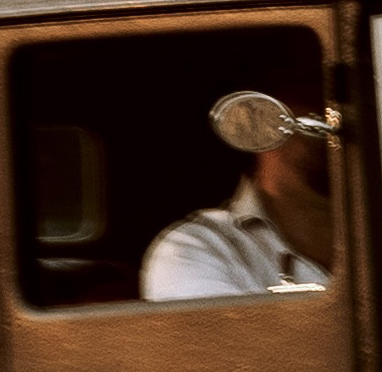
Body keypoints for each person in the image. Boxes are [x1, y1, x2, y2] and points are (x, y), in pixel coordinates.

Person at [140, 93, 338, 300]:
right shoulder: (198, 249)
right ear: (259, 123)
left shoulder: (373, 233)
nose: (332, 116)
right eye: (313, 103)